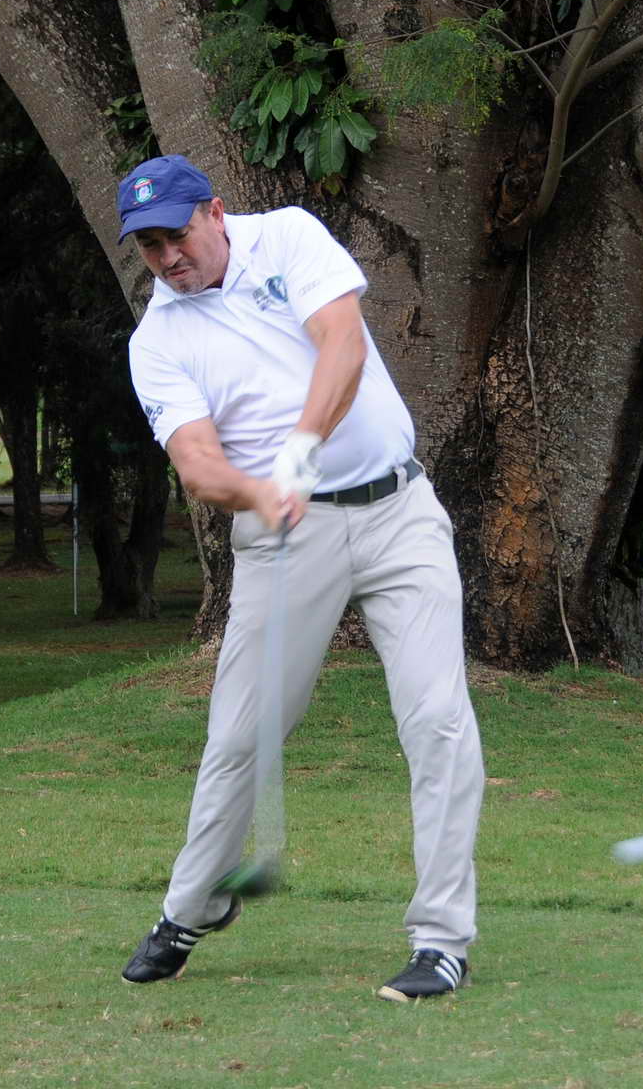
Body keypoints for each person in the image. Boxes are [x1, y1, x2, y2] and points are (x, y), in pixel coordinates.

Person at [114, 155, 485, 1002]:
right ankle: (192, 907)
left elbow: (342, 343)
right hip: (287, 535)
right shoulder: (158, 341)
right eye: (150, 247)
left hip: (399, 511)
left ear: (214, 212)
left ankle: (441, 940)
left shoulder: (286, 237)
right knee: (241, 736)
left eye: (178, 235)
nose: (169, 257)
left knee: (438, 721)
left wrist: (299, 450)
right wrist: (259, 491)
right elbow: (198, 464)